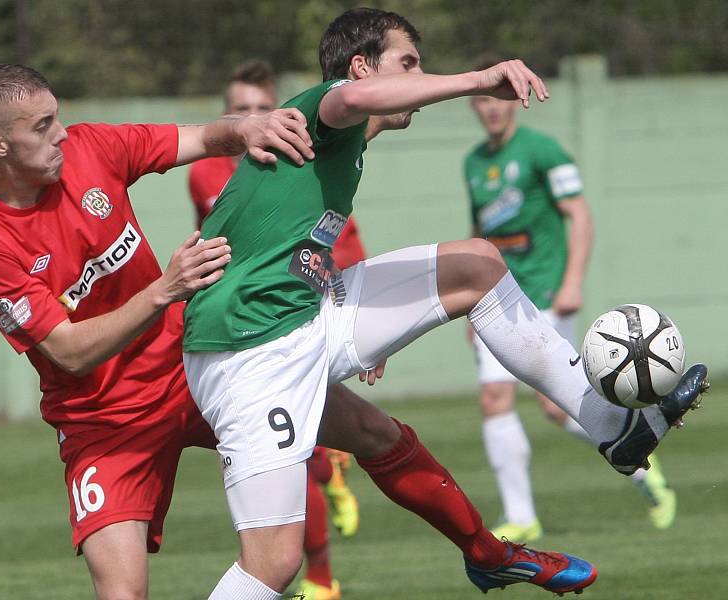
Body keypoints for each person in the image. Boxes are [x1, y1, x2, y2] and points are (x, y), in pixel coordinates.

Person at [181, 8, 709, 599]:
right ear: (360, 69)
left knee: (475, 267)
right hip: (247, 353)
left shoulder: (345, 144)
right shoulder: (323, 107)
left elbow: (287, 241)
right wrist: (478, 79)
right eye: (408, 62)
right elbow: (353, 100)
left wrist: (355, 319)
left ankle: (608, 429)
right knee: (273, 564)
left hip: (302, 319)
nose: (419, 74)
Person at [0, 63, 316, 600]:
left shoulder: (90, 148)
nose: (61, 134)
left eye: (58, 117)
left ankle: (484, 552)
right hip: (102, 421)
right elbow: (69, 352)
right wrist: (166, 289)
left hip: (187, 369)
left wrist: (243, 129)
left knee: (364, 431)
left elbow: (194, 137)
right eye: (42, 125)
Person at [462, 54, 677, 541]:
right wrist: (467, 302)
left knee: (557, 407)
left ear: (511, 100)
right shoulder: (474, 163)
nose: (490, 110)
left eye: (495, 100)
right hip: (494, 296)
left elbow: (579, 215)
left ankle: (641, 461)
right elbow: (478, 231)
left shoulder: (541, 151)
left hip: (541, 294)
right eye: (479, 102)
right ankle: (521, 516)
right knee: (495, 399)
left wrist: (573, 280)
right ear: (473, 107)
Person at [188, 59, 362, 600]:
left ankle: (323, 576)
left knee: (293, 464)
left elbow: (331, 245)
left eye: (262, 107)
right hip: (234, 330)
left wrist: (337, 302)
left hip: (290, 326)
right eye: (240, 109)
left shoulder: (304, 159)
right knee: (287, 467)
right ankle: (332, 473)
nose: (253, 118)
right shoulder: (206, 171)